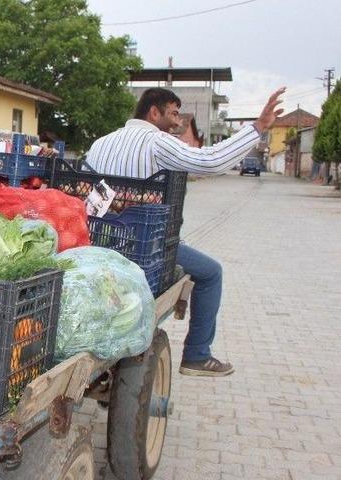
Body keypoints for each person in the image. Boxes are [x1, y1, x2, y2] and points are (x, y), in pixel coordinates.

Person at [85, 86, 285, 377]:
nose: (178, 122)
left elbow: (85, 191)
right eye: (174, 114)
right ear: (154, 112)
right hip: (144, 248)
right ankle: (197, 355)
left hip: (97, 241)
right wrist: (256, 128)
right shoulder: (157, 142)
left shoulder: (100, 143)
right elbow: (210, 161)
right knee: (211, 272)